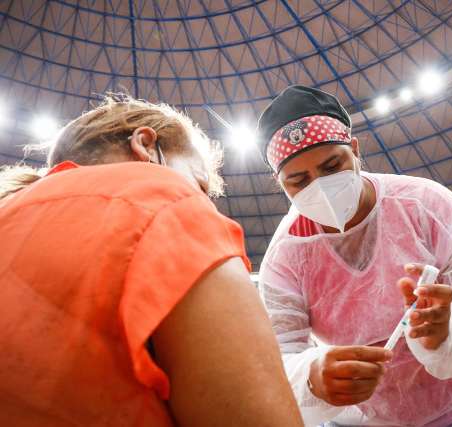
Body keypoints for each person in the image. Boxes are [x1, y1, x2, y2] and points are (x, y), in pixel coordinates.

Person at [0, 95, 303, 427]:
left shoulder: (10, 210)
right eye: (199, 184)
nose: (204, 202)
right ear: (145, 145)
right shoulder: (162, 195)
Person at [257, 85, 452, 426]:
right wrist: (312, 376)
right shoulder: (286, 257)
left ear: (355, 149)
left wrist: (448, 330)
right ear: (279, 184)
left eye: (332, 166)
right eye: (299, 181)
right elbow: (278, 356)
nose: (320, 186)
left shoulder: (427, 206)